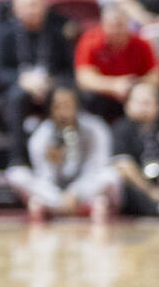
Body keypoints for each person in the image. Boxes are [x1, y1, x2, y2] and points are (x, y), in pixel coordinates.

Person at [0, 0, 76, 172]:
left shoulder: (56, 33)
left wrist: (50, 82)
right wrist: (23, 79)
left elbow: (68, 70)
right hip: (18, 86)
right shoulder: (5, 35)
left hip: (51, 85)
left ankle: (68, 157)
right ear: (16, 9)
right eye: (27, 5)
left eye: (36, 4)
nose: (32, 9)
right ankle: (18, 159)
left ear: (45, 5)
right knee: (17, 97)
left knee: (66, 95)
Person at [8, 85, 117, 220]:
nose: (64, 112)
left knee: (110, 176)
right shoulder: (42, 136)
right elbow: (44, 178)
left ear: (78, 106)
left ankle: (53, 208)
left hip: (84, 190)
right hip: (55, 192)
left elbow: (97, 167)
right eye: (58, 106)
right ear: (50, 109)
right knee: (16, 174)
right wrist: (55, 165)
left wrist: (75, 193)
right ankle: (68, 208)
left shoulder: (95, 129)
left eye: (68, 105)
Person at [111, 81, 159, 217]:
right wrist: (151, 191)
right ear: (127, 105)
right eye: (138, 102)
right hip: (141, 192)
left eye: (148, 103)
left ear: (158, 106)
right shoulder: (121, 130)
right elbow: (123, 164)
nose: (143, 108)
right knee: (119, 179)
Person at [74, 3, 159, 124]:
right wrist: (113, 85)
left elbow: (156, 77)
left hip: (133, 93)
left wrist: (134, 87)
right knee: (88, 97)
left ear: (128, 24)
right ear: (103, 25)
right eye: (111, 26)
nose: (116, 31)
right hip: (104, 96)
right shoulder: (90, 40)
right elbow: (84, 78)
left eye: (120, 26)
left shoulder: (142, 43)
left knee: (155, 97)